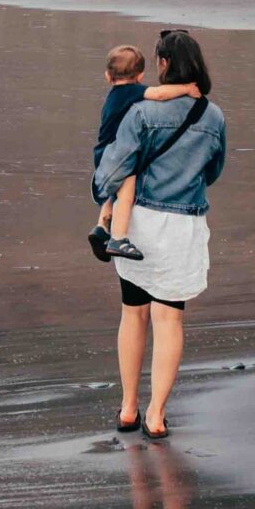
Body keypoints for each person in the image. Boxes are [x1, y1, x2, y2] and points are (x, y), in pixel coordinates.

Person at [93, 26, 227, 440]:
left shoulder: (141, 113)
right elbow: (213, 172)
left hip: (140, 226)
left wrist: (103, 199)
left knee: (133, 313)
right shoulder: (213, 115)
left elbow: (113, 170)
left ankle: (128, 408)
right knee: (170, 319)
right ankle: (156, 415)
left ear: (164, 64)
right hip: (184, 226)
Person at [89, 45, 197, 262]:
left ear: (107, 76)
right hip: (118, 154)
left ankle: (102, 227)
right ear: (140, 76)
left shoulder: (113, 96)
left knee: (114, 193)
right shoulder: (130, 91)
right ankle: (118, 239)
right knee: (126, 194)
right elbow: (159, 94)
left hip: (104, 152)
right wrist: (186, 89)